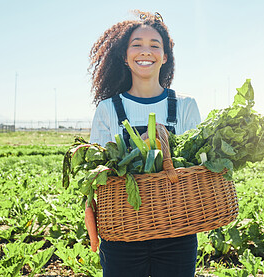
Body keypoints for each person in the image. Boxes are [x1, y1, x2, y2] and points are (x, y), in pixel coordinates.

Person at [88, 10, 201, 277]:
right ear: (125, 57)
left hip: (178, 230)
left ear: (165, 57)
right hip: (122, 233)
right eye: (136, 45)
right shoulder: (108, 109)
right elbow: (98, 173)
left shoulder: (185, 106)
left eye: (154, 46)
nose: (145, 52)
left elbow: (198, 165)